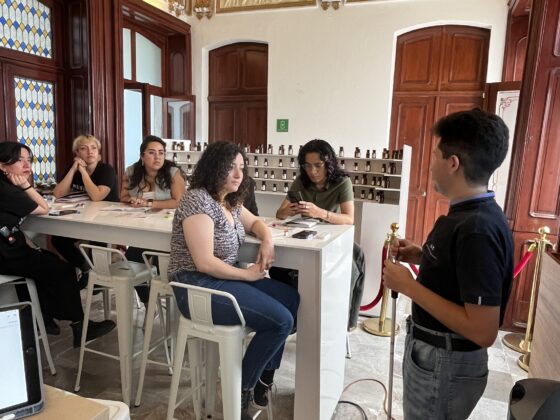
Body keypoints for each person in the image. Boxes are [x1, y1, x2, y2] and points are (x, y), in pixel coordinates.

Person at [382, 108, 514, 420]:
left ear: (453, 163)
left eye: (435, 156)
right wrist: (421, 255)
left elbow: (483, 331)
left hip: (446, 362)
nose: (429, 167)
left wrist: (409, 287)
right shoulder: (466, 214)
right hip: (435, 355)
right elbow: (459, 273)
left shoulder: (477, 228)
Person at [168, 141, 299, 419]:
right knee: (282, 320)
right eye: (231, 167)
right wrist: (247, 275)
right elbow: (204, 262)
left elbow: (257, 223)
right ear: (214, 167)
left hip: (222, 280)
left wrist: (267, 240)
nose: (238, 175)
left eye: (241, 168)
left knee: (292, 299)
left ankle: (262, 376)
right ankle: (241, 388)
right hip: (195, 285)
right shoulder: (197, 200)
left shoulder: (230, 202)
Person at [0, 141, 115, 346]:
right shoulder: (8, 190)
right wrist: (26, 185)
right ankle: (80, 326)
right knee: (62, 270)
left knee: (47, 259)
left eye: (29, 160)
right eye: (19, 161)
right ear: (2, 166)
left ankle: (44, 319)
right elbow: (43, 207)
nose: (27, 166)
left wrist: (31, 246)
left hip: (8, 249)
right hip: (5, 255)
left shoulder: (106, 170)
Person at [275, 139, 365, 330]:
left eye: (318, 165)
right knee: (278, 268)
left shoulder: (342, 182)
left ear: (329, 163)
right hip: (307, 238)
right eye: (307, 166)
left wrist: (320, 213)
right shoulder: (301, 182)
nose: (313, 171)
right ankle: (293, 318)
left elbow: (349, 219)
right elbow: (279, 214)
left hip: (333, 238)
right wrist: (289, 210)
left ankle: (342, 320)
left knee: (352, 265)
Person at [120, 135, 185, 303]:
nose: (158, 157)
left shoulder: (173, 173)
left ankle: (166, 297)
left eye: (161, 153)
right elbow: (123, 196)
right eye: (152, 153)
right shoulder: (131, 172)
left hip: (168, 230)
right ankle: (148, 301)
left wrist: (149, 202)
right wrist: (132, 200)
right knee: (131, 261)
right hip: (143, 227)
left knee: (159, 264)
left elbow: (179, 202)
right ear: (142, 156)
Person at [51, 134, 119, 288]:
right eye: (84, 148)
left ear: (99, 153)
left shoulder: (106, 170)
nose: (90, 152)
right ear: (77, 153)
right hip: (83, 216)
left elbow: (96, 196)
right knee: (58, 240)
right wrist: (74, 169)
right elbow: (58, 193)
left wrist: (82, 172)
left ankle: (99, 281)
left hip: (107, 217)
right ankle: (85, 267)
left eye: (94, 148)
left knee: (95, 239)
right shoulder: (73, 168)